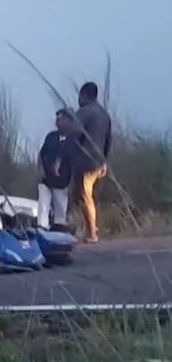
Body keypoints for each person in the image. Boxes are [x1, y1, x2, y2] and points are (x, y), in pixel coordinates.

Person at [73, 82, 112, 243]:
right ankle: (91, 228)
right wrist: (105, 161)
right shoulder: (104, 114)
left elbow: (74, 134)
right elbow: (109, 139)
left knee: (84, 196)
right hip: (100, 161)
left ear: (84, 95)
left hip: (86, 161)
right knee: (88, 196)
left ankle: (91, 233)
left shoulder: (84, 112)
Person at [37, 109, 76, 230]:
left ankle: (59, 233)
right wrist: (41, 169)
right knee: (43, 208)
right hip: (46, 180)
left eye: (61, 119)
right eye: (57, 119)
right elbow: (42, 154)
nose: (57, 122)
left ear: (69, 121)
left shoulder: (74, 140)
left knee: (60, 213)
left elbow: (75, 162)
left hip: (62, 183)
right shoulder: (51, 137)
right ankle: (42, 229)